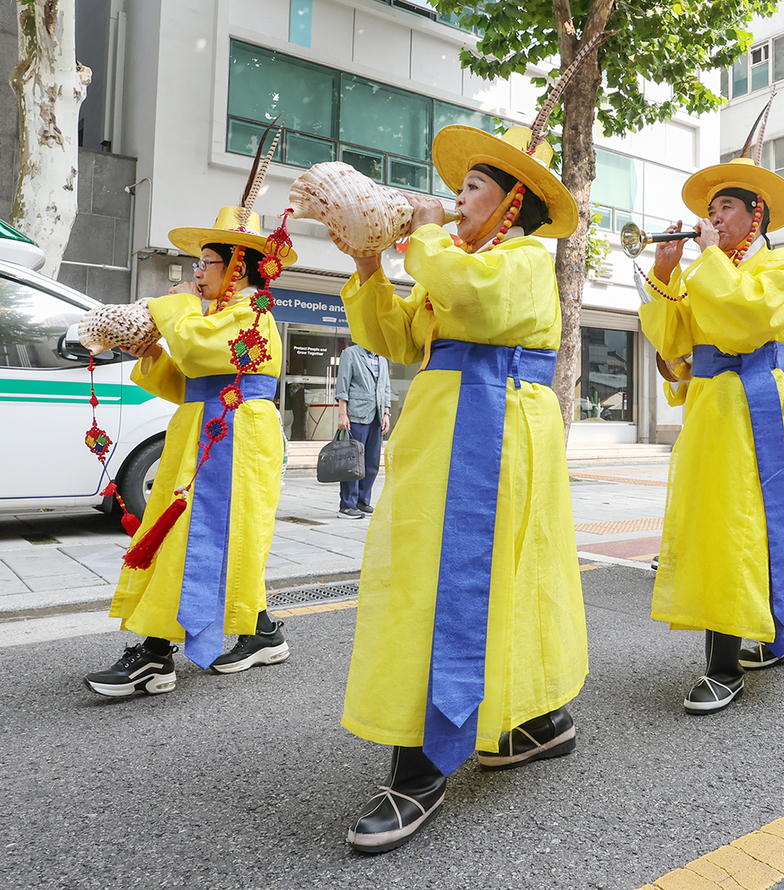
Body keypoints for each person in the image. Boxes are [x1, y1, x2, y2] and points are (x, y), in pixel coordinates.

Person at [335, 122, 588, 853]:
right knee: (465, 581)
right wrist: (369, 266)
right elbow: (396, 337)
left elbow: (470, 297)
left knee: (459, 585)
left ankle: (418, 772)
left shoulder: (520, 261)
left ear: (511, 206)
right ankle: (535, 719)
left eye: (472, 187)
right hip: (445, 433)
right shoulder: (457, 262)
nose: (454, 197)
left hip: (495, 432)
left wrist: (423, 236)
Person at [639, 106, 784, 712]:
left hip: (757, 401)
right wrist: (664, 279)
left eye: (726, 210)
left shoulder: (782, 265)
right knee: (720, 522)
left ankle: (727, 662)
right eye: (710, 211)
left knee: (743, 524)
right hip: (713, 404)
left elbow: (748, 320)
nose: (711, 220)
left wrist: (705, 261)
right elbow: (674, 344)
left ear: (755, 215)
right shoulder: (702, 270)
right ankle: (773, 635)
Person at [85, 200, 296, 696]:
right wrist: (154, 352)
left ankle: (156, 653)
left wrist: (176, 306)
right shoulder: (220, 317)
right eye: (197, 264)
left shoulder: (253, 316)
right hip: (208, 429)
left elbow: (199, 348)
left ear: (237, 268)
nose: (196, 274)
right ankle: (261, 631)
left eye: (206, 264)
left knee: (190, 536)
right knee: (217, 536)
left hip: (234, 437)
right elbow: (190, 381)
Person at [334, 344, 392, 519]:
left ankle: (362, 501)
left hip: (377, 416)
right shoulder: (350, 354)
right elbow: (343, 386)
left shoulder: (382, 357)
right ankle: (347, 506)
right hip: (356, 415)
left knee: (372, 463)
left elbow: (386, 388)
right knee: (353, 462)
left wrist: (387, 413)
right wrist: (343, 414)